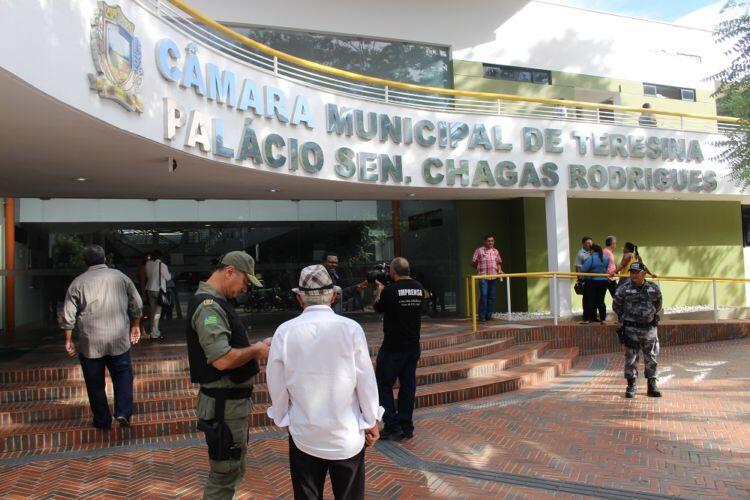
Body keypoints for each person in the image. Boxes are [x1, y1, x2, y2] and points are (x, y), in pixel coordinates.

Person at [266, 265, 382, 500]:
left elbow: (275, 383)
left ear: (299, 298)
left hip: (304, 434)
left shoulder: (284, 332)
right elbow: (366, 380)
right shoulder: (351, 329)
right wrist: (370, 420)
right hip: (347, 434)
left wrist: (283, 418)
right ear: (334, 295)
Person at [186, 251, 271, 499]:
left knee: (231, 471)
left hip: (229, 404)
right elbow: (221, 358)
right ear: (230, 271)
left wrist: (255, 346)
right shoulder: (208, 306)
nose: (244, 289)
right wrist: (255, 350)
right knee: (224, 475)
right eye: (245, 282)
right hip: (224, 406)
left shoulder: (216, 303)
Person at [61, 245, 142, 429]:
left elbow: (68, 314)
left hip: (90, 343)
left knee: (94, 383)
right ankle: (123, 412)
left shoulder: (78, 282)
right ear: (105, 258)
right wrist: (136, 324)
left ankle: (102, 420)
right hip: (118, 339)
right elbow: (137, 302)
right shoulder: (120, 276)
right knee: (123, 376)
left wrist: (68, 339)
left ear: (85, 262)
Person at [372, 257, 424, 440]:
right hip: (413, 346)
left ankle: (392, 426)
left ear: (393, 272)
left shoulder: (390, 290)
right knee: (408, 386)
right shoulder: (418, 287)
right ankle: (406, 426)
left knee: (384, 385)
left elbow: (377, 308)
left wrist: (379, 290)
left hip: (393, 347)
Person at [612, 262, 663, 398]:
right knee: (631, 358)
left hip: (649, 329)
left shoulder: (653, 288)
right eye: (631, 272)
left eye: (637, 272)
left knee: (651, 357)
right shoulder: (624, 289)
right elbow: (616, 306)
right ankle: (631, 385)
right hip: (631, 329)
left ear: (644, 273)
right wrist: (627, 318)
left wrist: (648, 316)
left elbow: (658, 305)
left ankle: (652, 385)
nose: (633, 275)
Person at [471, 235, 503, 322]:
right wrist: (479, 269)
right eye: (489, 241)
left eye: (492, 241)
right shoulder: (479, 250)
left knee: (491, 296)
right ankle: (481, 316)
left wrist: (499, 270)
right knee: (484, 295)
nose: (491, 243)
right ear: (484, 241)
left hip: (494, 276)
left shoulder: (495, 251)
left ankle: (488, 316)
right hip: (483, 277)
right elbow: (473, 262)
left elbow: (498, 262)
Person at [145, 250, 171, 340]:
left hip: (149, 289)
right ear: (161, 257)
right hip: (158, 290)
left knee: (152, 311)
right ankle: (155, 333)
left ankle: (152, 331)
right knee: (157, 313)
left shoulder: (148, 264)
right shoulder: (162, 265)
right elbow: (168, 277)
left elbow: (148, 276)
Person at [581, 244, 610, 324]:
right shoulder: (605, 258)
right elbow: (606, 268)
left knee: (589, 300)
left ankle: (587, 319)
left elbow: (583, 269)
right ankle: (603, 319)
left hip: (592, 281)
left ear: (592, 250)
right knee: (600, 301)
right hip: (603, 282)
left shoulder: (591, 258)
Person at [574, 236, 593, 321]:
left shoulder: (592, 252)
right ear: (583, 244)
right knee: (586, 298)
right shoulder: (580, 254)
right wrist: (580, 279)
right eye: (588, 243)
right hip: (585, 279)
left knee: (592, 297)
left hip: (592, 279)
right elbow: (577, 268)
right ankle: (586, 316)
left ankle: (592, 315)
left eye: (591, 243)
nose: (590, 244)